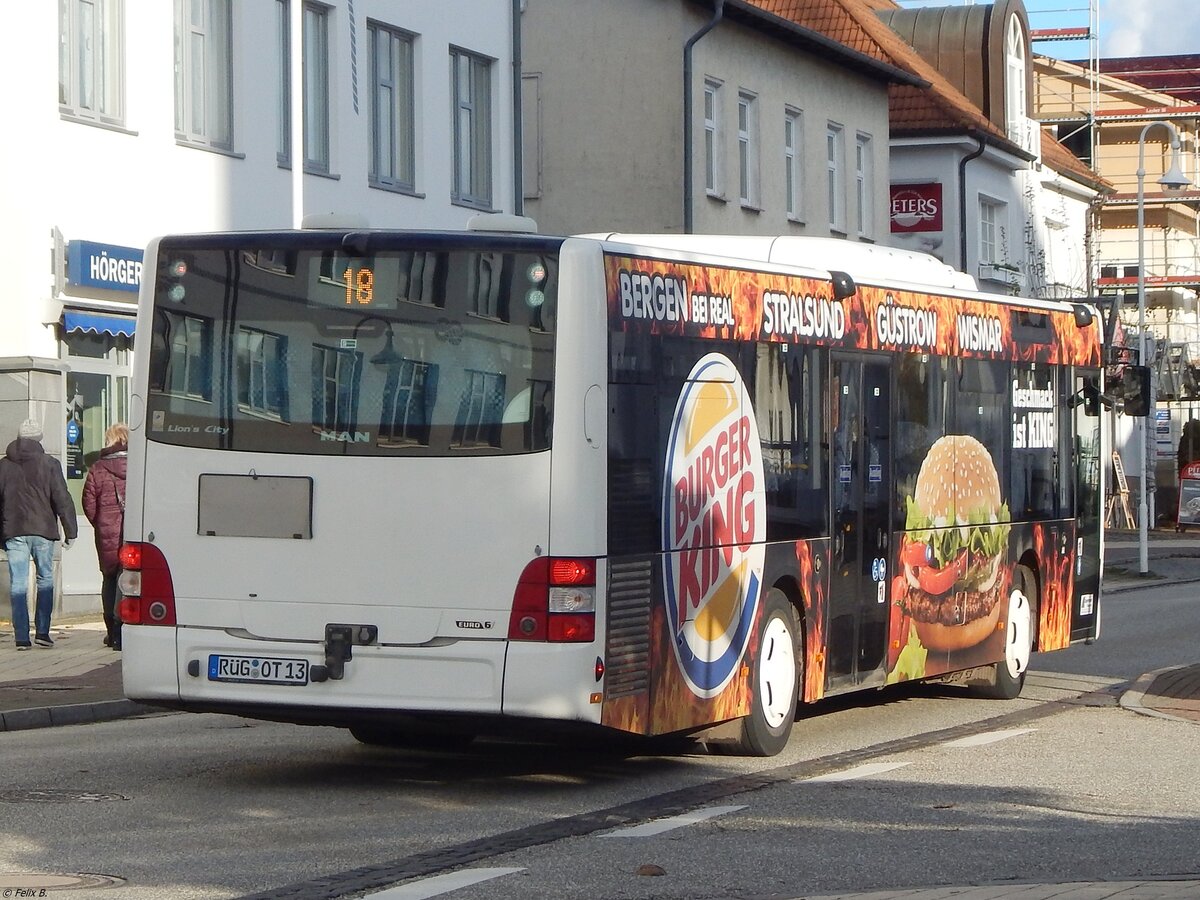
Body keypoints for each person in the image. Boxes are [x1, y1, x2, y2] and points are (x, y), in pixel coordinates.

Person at [0, 419, 78, 649]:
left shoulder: (4, 465)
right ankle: (42, 632)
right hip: (43, 530)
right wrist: (70, 530)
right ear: (39, 440)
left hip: (13, 529)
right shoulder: (50, 464)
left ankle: (21, 637)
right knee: (44, 579)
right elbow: (62, 498)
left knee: (18, 584)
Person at [83, 423, 128, 650]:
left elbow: (88, 505)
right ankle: (124, 628)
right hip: (133, 531)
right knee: (130, 578)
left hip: (107, 533)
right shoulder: (138, 465)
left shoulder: (97, 468)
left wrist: (101, 524)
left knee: (110, 578)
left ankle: (111, 632)